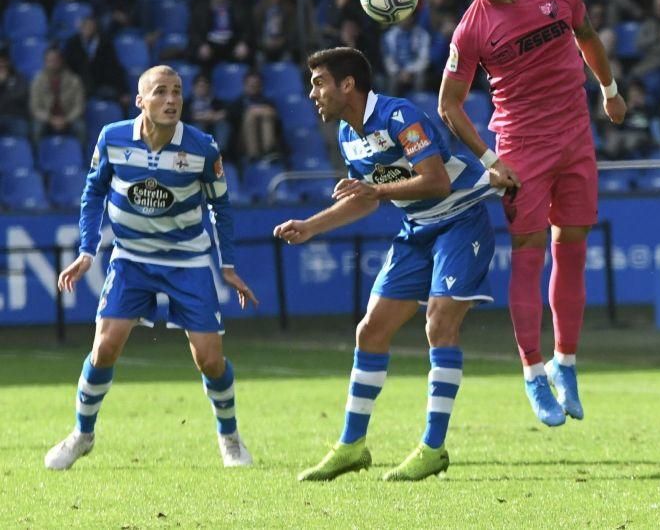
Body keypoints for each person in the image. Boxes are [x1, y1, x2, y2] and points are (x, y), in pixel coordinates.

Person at [274, 47, 498, 481]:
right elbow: (365, 203)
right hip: (416, 230)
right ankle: (351, 446)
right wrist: (312, 225)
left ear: (347, 85)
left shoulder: (399, 117)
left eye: (319, 83)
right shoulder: (347, 135)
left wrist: (375, 192)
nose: (312, 93)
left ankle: (433, 448)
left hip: (459, 221)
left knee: (439, 324)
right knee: (370, 331)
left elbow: (436, 181)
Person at [436, 0, 626, 427]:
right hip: (522, 151)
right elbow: (447, 106)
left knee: (574, 248)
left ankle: (566, 364)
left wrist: (608, 88)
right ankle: (533, 371)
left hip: (576, 137)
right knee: (528, 253)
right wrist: (488, 158)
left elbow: (587, 36)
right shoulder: (471, 29)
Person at [44, 65, 259, 470]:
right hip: (131, 257)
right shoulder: (112, 138)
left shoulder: (202, 147)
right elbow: (93, 195)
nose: (171, 100)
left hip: (187, 260)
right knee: (104, 348)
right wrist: (88, 251)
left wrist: (226, 265)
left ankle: (229, 437)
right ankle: (81, 434)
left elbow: (222, 206)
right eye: (160, 92)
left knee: (210, 360)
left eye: (177, 92)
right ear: (140, 101)